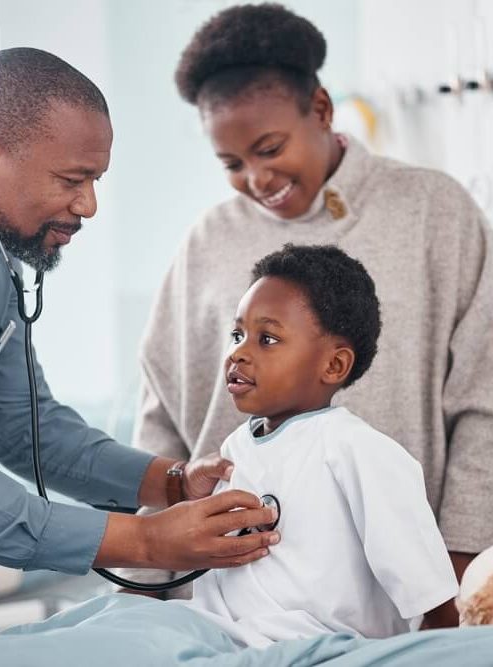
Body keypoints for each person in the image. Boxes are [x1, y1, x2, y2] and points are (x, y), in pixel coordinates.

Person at [126, 2, 493, 621]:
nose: (256, 177)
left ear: (321, 110)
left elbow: (483, 400)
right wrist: (147, 575)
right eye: (232, 164)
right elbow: (160, 416)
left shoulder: (435, 212)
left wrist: (455, 574)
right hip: (219, 603)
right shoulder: (207, 241)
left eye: (270, 148)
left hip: (386, 602)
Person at [0, 47, 279, 580]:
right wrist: (141, 541)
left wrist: (172, 482)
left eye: (95, 181)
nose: (88, 205)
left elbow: (25, 426)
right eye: (72, 180)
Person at [178, 243, 458, 647]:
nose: (238, 353)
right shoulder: (236, 448)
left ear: (333, 365)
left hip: (315, 646)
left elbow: (425, 584)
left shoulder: (357, 451)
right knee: (117, 623)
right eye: (238, 334)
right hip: (221, 637)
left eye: (267, 339)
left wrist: (456, 648)